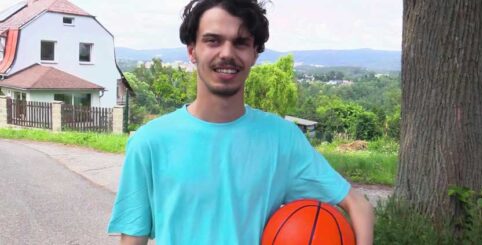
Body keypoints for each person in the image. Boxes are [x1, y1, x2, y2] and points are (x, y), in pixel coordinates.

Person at [107, 0, 375, 244]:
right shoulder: (149, 141)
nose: (227, 53)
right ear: (192, 51)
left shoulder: (282, 138)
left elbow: (358, 205)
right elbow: (133, 239)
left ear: (255, 53)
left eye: (240, 42)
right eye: (213, 41)